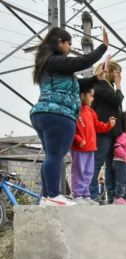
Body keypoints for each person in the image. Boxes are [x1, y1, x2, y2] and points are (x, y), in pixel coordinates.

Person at [30, 27, 109, 205]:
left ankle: (46, 196)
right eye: (69, 43)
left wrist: (96, 79)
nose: (70, 47)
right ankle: (53, 195)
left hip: (44, 113)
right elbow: (80, 62)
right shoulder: (55, 61)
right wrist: (103, 47)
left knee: (51, 155)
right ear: (60, 42)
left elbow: (77, 84)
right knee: (56, 155)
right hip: (58, 114)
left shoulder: (49, 63)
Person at [71, 79, 116, 205]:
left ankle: (86, 195)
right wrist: (78, 139)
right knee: (78, 171)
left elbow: (97, 125)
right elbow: (71, 128)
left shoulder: (90, 111)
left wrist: (108, 125)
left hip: (91, 147)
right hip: (79, 147)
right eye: (91, 96)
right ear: (82, 95)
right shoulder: (75, 109)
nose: (93, 99)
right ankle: (77, 195)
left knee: (89, 172)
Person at [90, 60, 123, 204]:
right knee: (98, 161)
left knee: (111, 164)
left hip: (111, 131)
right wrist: (119, 85)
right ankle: (92, 193)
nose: (119, 76)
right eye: (117, 73)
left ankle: (112, 195)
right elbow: (117, 100)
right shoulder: (101, 85)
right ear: (109, 72)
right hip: (103, 131)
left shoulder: (107, 87)